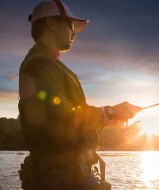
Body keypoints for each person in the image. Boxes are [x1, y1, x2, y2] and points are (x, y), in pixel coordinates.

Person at [18, 0, 141, 189]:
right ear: (51, 23)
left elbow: (69, 125)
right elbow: (62, 119)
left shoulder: (49, 63)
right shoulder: (40, 64)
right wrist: (109, 112)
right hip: (63, 179)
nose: (74, 32)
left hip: (72, 175)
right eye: (71, 25)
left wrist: (105, 119)